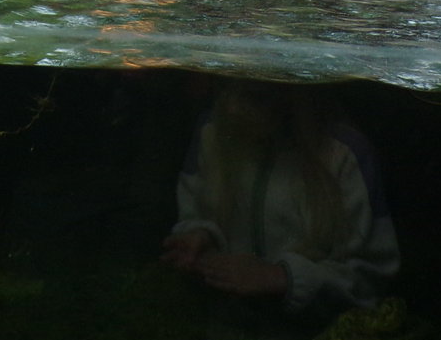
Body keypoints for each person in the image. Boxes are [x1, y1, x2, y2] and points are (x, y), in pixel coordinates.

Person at [161, 79, 399, 323]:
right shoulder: (212, 130)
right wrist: (200, 236)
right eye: (228, 87)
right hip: (223, 332)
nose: (234, 107)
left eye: (258, 95)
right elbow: (195, 209)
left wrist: (281, 278)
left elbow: (373, 277)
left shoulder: (344, 153)